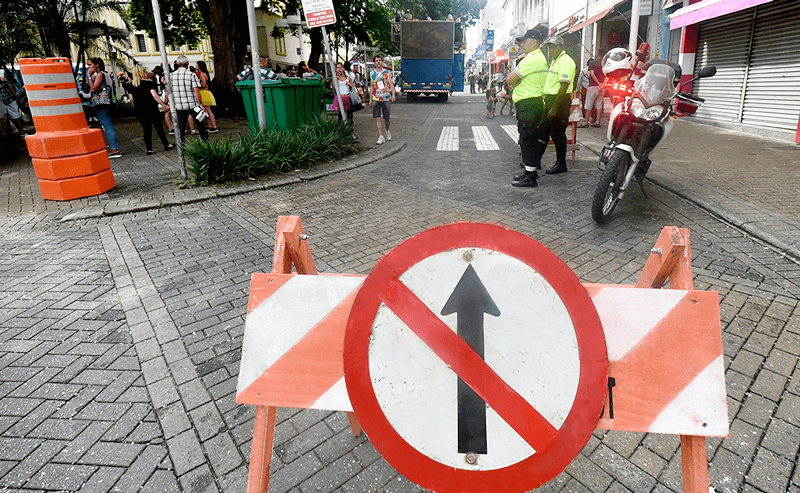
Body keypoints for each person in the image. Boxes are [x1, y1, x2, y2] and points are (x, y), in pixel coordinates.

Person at [506, 26, 548, 188]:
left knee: (527, 140)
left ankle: (530, 177)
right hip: (531, 103)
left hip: (529, 104)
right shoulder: (536, 58)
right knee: (527, 138)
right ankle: (530, 171)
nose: (522, 45)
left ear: (534, 42)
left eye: (524, 42)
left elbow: (510, 79)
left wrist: (516, 81)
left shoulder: (532, 59)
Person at [539, 35, 576, 176]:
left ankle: (561, 164)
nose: (551, 49)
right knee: (542, 131)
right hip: (550, 100)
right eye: (549, 47)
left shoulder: (566, 61)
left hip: (559, 101)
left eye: (553, 46)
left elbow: (564, 86)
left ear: (561, 47)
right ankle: (536, 161)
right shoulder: (555, 61)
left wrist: (554, 108)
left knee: (558, 134)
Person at [123, 65, 174, 155]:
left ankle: (149, 149)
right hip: (151, 108)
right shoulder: (149, 83)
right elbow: (154, 95)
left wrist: (135, 106)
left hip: (140, 110)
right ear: (141, 73)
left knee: (147, 129)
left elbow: (131, 98)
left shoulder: (130, 85)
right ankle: (166, 144)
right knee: (159, 127)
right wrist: (163, 105)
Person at [87, 57, 122, 158]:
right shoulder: (106, 74)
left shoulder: (100, 74)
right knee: (109, 126)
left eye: (90, 65)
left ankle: (115, 150)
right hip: (110, 103)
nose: (88, 67)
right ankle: (114, 148)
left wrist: (89, 77)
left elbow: (93, 89)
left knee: (108, 126)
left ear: (96, 65)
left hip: (102, 104)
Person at [170, 55, 209, 142]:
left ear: (177, 63)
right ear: (188, 64)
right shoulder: (191, 75)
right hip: (192, 104)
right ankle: (205, 141)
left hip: (179, 105)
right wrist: (200, 104)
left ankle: (182, 144)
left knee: (181, 126)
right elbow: (196, 90)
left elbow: (169, 91)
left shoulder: (171, 75)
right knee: (200, 123)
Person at [370, 54, 395, 145]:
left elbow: (391, 84)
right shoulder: (372, 73)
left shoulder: (387, 72)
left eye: (380, 60)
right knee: (378, 118)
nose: (378, 62)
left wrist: (393, 94)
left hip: (386, 98)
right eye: (377, 60)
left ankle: (387, 130)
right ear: (375, 62)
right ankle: (381, 136)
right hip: (376, 98)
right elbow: (372, 86)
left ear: (382, 61)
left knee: (386, 117)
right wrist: (370, 99)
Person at [0, 72, 32, 137]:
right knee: (15, 116)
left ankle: (15, 132)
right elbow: (11, 87)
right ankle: (22, 133)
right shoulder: (5, 79)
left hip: (3, 100)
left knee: (5, 117)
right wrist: (17, 97)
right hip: (9, 99)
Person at [579, 58, 604, 128]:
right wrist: (602, 84)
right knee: (599, 104)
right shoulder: (604, 63)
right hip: (602, 87)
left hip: (592, 87)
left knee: (588, 105)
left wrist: (598, 83)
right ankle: (597, 122)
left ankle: (586, 122)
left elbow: (592, 75)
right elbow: (607, 75)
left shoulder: (592, 63)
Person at [195, 60, 218, 133]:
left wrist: (197, 86)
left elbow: (204, 84)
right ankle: (210, 126)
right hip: (205, 93)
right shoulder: (203, 73)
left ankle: (214, 126)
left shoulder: (202, 74)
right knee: (207, 111)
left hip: (204, 93)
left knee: (208, 110)